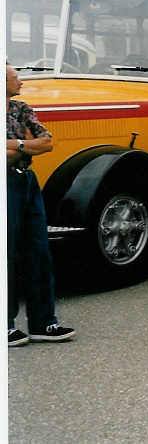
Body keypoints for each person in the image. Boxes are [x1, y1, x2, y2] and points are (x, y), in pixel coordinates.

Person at [6, 63, 75, 346]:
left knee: (39, 251)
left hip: (26, 182)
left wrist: (16, 146)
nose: (20, 81)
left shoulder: (21, 109)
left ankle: (43, 323)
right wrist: (21, 146)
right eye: (15, 77)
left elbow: (47, 142)